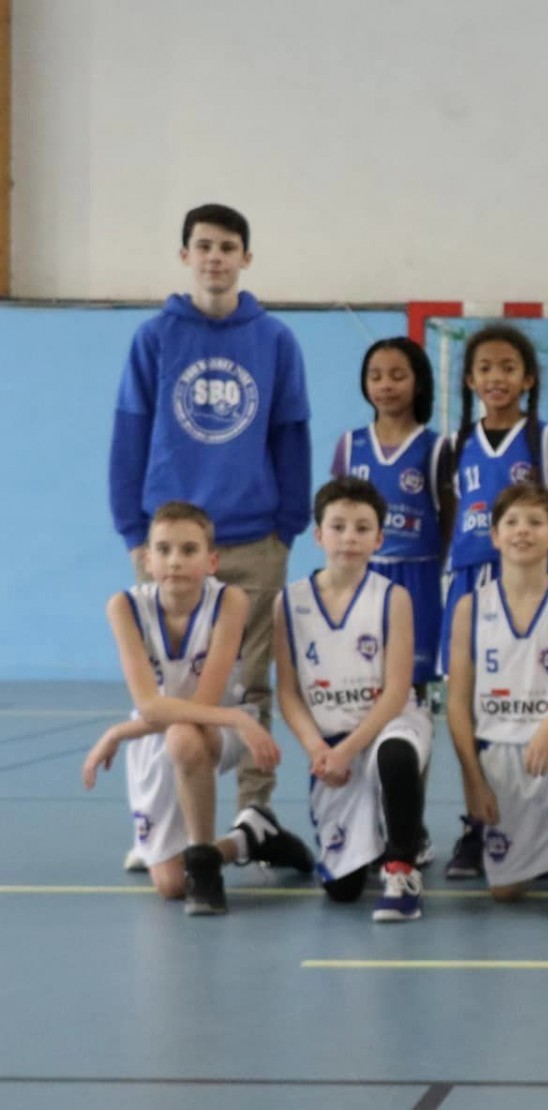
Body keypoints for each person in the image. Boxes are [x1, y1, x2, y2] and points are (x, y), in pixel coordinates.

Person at [108, 204, 311, 863]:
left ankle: (255, 809)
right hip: (168, 545)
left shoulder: (275, 340)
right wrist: (135, 531)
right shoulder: (154, 338)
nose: (215, 257)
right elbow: (130, 432)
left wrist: (287, 526)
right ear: (185, 256)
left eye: (227, 246)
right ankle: (155, 825)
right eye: (203, 246)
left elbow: (290, 433)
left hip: (255, 537)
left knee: (253, 681)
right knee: (165, 691)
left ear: (246, 258)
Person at [82, 502, 311, 914]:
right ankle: (250, 836)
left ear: (212, 561)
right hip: (175, 728)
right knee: (171, 885)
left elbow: (200, 706)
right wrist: (121, 731)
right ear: (147, 559)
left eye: (189, 550)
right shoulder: (124, 607)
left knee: (183, 736)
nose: (175, 561)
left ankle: (204, 863)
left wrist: (236, 717)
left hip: (218, 731)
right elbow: (149, 707)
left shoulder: (230, 601)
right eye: (164, 550)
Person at [440, 324, 548, 881]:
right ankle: (478, 820)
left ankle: (544, 817)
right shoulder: (454, 444)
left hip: (527, 587)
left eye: (508, 367)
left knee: (528, 699)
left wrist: (544, 580)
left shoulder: (545, 439)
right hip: (470, 581)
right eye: (486, 368)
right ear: (470, 380)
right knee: (471, 703)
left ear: (528, 378)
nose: (497, 377)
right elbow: (449, 516)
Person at [273, 477, 434, 921]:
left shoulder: (393, 598)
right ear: (318, 534)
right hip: (331, 740)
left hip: (388, 723)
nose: (349, 537)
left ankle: (402, 868)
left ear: (379, 538)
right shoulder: (289, 603)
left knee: (395, 754)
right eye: (338, 526)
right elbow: (288, 692)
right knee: (342, 891)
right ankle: (376, 836)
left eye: (362, 528)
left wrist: (347, 749)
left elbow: (397, 691)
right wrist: (318, 750)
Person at [445, 484, 548, 920]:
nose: (523, 531)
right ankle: (546, 846)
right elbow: (457, 705)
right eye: (512, 522)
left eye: (535, 523)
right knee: (505, 893)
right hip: (499, 757)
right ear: (495, 536)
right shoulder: (469, 609)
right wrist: (473, 781)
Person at [330, 337, 452, 696]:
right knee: (357, 677)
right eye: (376, 376)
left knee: (411, 683)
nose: (385, 385)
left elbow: (450, 520)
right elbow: (334, 515)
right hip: (360, 573)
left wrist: (438, 569)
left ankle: (413, 732)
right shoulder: (350, 445)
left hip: (417, 575)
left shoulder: (436, 447)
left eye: (398, 376)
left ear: (419, 382)